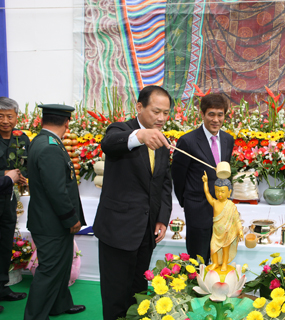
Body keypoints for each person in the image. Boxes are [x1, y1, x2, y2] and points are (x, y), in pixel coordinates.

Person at [93, 85, 173, 320]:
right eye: (156, 111)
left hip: (146, 231)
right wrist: (139, 136)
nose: (161, 118)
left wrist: (162, 217)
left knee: (138, 295)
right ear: (139, 107)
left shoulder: (161, 140)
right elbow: (109, 143)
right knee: (115, 295)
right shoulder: (122, 130)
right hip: (118, 230)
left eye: (166, 113)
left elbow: (164, 183)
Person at [24, 104, 86, 319]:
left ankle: (59, 304)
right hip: (52, 222)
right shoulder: (50, 146)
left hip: (49, 220)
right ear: (67, 122)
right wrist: (71, 219)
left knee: (60, 267)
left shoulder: (42, 141)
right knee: (49, 271)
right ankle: (35, 316)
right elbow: (56, 190)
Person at [171, 93, 234, 264]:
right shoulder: (188, 141)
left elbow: (226, 171)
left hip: (221, 212)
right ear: (202, 114)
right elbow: (178, 176)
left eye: (220, 114)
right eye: (211, 114)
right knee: (198, 260)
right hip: (197, 210)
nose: (216, 119)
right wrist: (188, 202)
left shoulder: (228, 139)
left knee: (219, 259)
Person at [0, 97, 30, 312]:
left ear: (17, 117)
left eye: (9, 116)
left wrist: (25, 177)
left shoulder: (22, 138)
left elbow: (28, 163)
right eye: (0, 116)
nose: (5, 121)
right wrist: (6, 176)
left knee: (4, 245)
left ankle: (2, 288)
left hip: (9, 200)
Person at [202, 172, 243, 271]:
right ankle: (215, 263)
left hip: (227, 233)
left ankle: (224, 263)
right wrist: (205, 182)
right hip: (216, 233)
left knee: (225, 250)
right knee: (213, 249)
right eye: (217, 191)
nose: (219, 194)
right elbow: (207, 193)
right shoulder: (215, 203)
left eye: (222, 191)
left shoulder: (231, 206)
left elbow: (236, 220)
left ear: (229, 192)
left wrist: (240, 230)